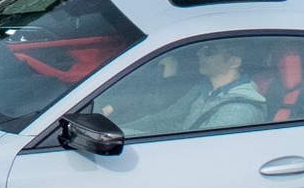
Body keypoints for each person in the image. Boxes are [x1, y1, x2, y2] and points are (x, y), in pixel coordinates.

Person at [103, 41, 269, 136]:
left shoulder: (239, 110)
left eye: (209, 51)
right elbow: (166, 119)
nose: (199, 53)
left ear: (233, 62)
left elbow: (200, 151)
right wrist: (119, 131)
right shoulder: (202, 90)